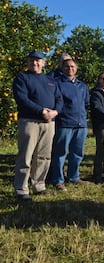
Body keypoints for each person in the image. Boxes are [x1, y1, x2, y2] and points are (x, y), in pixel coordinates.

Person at [12, 50, 63, 201]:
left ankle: (39, 185)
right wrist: (41, 111)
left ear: (43, 63)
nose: (35, 63)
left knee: (44, 156)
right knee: (26, 156)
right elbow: (22, 98)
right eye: (32, 60)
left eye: (38, 60)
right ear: (28, 62)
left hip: (49, 123)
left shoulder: (50, 80)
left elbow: (59, 99)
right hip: (30, 121)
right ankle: (21, 189)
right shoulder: (22, 78)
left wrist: (55, 112)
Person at [50, 59, 89, 191]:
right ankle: (58, 180)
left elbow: (86, 104)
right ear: (62, 68)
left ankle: (73, 177)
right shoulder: (57, 83)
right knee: (60, 153)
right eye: (67, 66)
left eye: (72, 66)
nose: (70, 69)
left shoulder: (82, 86)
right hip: (65, 123)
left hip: (81, 124)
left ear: (76, 68)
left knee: (77, 153)